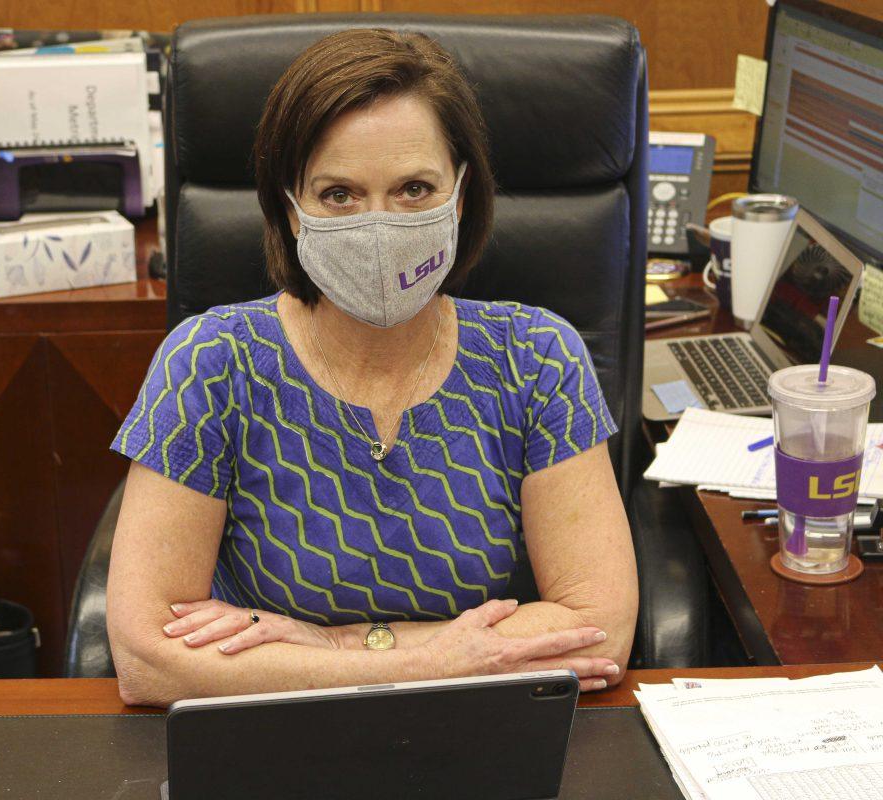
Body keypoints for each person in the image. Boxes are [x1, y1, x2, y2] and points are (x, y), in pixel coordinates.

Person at [107, 28, 638, 708]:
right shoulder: (210, 363)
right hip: (270, 745)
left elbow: (598, 633)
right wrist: (438, 660)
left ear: (462, 193)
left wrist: (335, 647)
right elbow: (146, 660)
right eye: (338, 195)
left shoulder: (536, 358)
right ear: (291, 209)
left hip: (481, 734)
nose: (379, 224)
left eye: (415, 188)